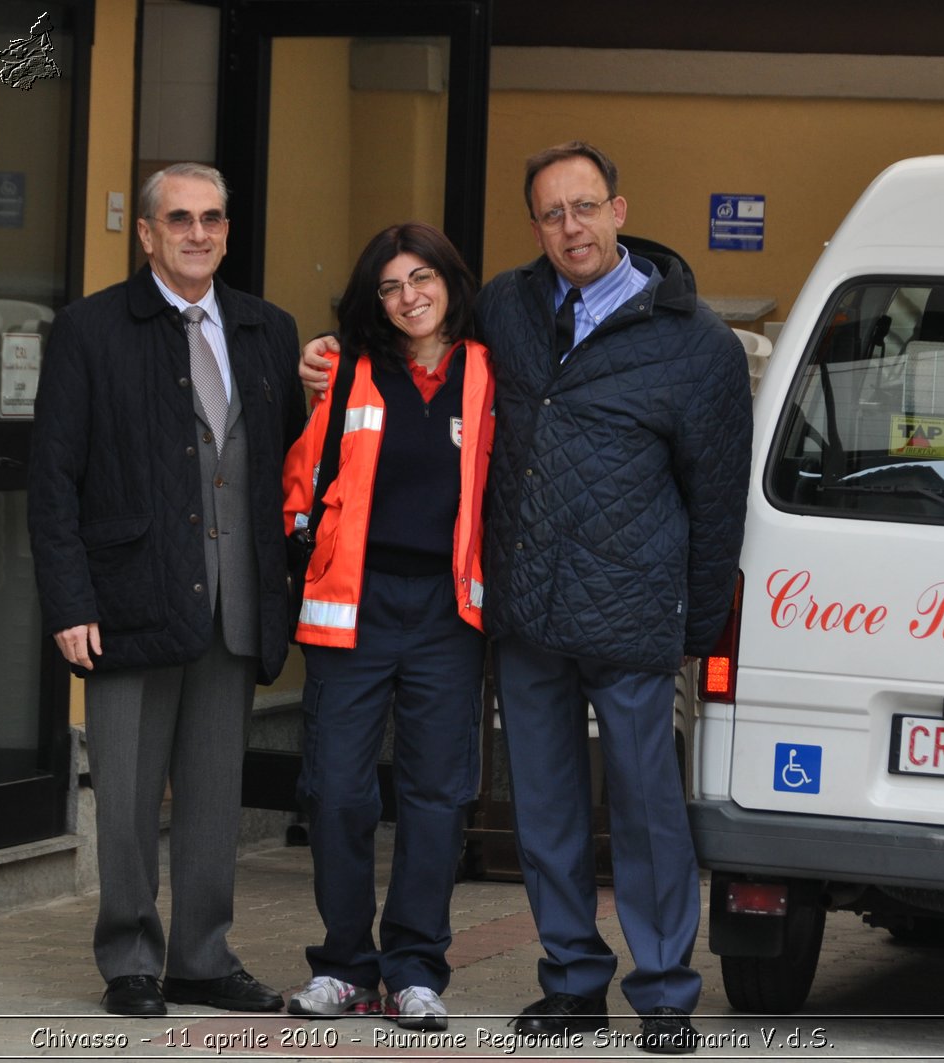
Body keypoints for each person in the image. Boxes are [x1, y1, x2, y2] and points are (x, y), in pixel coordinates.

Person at [301, 142, 751, 1054]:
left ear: (620, 210)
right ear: (534, 224)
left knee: (646, 811)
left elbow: (718, 498)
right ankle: (573, 981)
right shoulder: (507, 306)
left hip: (631, 616)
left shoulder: (695, 341)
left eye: (585, 208)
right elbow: (415, 342)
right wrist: (332, 360)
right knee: (543, 810)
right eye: (551, 214)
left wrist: (700, 629)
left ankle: (663, 994)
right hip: (526, 614)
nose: (569, 228)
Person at [28, 162, 305, 1018]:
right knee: (127, 794)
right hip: (128, 598)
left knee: (215, 795)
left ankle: (201, 956)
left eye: (213, 218)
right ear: (144, 233)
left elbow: (289, 464)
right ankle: (132, 958)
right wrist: (70, 601)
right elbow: (53, 480)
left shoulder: (267, 328)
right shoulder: (90, 330)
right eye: (179, 218)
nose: (198, 233)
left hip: (236, 600)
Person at [280, 222, 494, 1032]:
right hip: (352, 607)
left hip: (448, 613)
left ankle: (413, 970)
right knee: (336, 789)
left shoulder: (486, 372)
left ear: (449, 282)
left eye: (423, 279)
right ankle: (343, 965)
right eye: (391, 286)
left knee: (436, 796)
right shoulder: (344, 369)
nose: (410, 297)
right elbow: (301, 477)